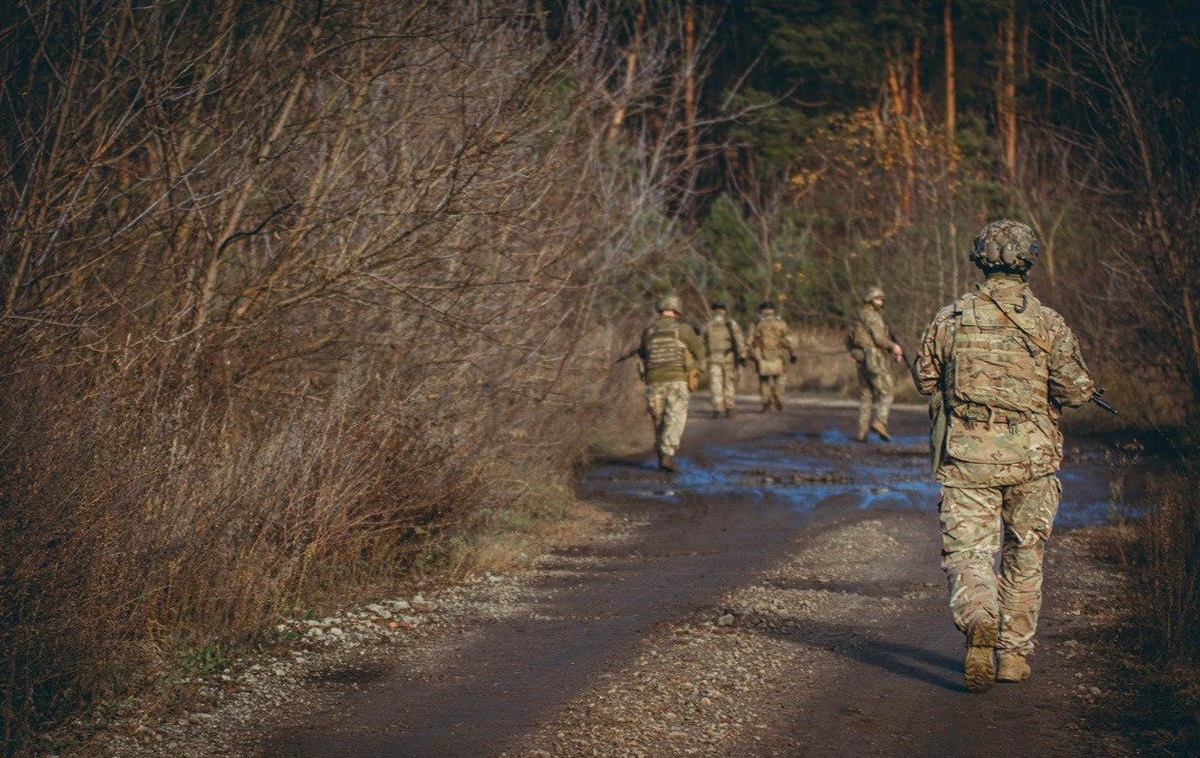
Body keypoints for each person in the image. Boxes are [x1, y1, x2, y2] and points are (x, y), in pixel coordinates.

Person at [913, 220, 1095, 693]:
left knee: (970, 552)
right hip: (1033, 459)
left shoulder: (951, 318)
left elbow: (925, 379)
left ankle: (979, 616)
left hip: (969, 457)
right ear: (1029, 260)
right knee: (1025, 553)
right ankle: (1013, 655)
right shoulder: (1049, 323)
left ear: (980, 258)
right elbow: (1074, 392)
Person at [638, 294, 706, 472]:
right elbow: (701, 352)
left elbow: (643, 354)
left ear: (660, 310)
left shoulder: (648, 331)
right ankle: (667, 455)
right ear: (677, 311)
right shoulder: (683, 330)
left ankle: (662, 453)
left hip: (653, 382)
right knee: (675, 418)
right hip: (677, 381)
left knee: (659, 420)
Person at [847, 286, 905, 441]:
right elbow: (879, 339)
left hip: (861, 360)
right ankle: (880, 422)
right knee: (887, 391)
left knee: (866, 397)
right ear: (871, 300)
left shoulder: (858, 317)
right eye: (879, 299)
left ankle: (861, 432)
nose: (881, 302)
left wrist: (853, 352)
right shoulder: (873, 316)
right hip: (875, 359)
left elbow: (848, 338)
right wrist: (894, 347)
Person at [747, 301, 796, 412]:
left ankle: (766, 403)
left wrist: (750, 355)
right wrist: (792, 354)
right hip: (778, 355)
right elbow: (789, 341)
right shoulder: (781, 323)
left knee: (764, 380)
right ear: (773, 311)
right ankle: (777, 393)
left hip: (762, 356)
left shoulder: (756, 324)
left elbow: (749, 341)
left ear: (761, 311)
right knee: (781, 377)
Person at [702, 302, 747, 418]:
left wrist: (701, 360)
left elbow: (702, 342)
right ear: (724, 311)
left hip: (713, 359)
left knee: (715, 383)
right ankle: (730, 408)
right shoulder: (732, 324)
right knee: (729, 383)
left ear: (713, 311)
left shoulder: (708, 325)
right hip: (729, 358)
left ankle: (717, 407)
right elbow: (740, 341)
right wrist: (742, 356)